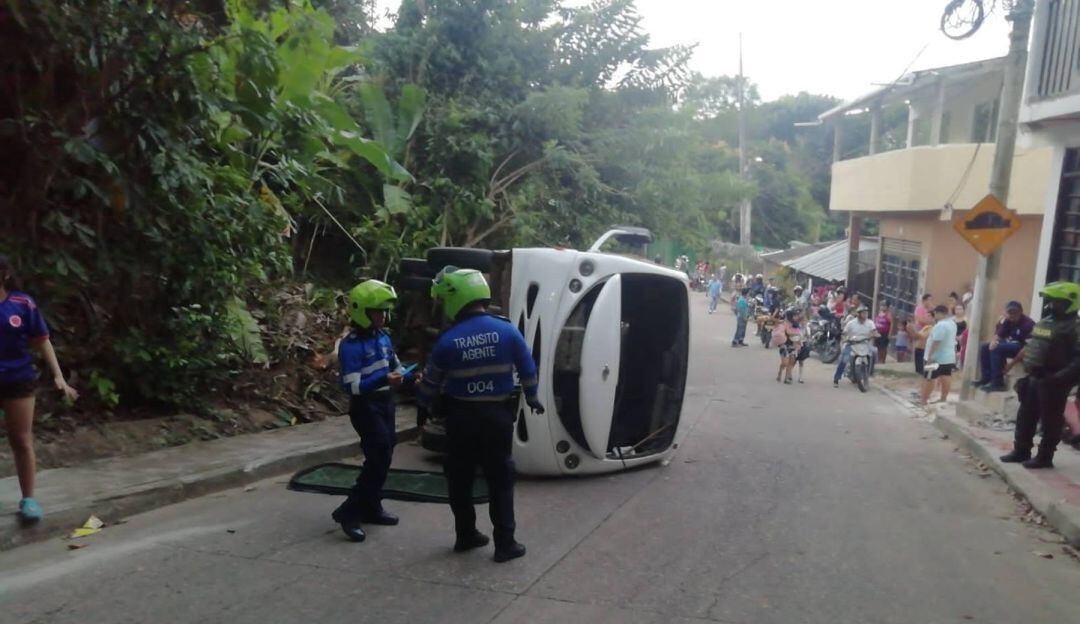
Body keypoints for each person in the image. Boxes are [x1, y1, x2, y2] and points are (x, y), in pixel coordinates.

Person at [419, 267, 542, 562]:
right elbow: (528, 369)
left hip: (460, 420)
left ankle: (466, 535)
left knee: (460, 479)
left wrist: (423, 407)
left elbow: (430, 384)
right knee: (501, 479)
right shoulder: (507, 331)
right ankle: (505, 544)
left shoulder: (448, 340)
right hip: (497, 418)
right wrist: (533, 397)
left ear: (456, 298)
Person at [329, 279, 414, 542]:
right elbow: (353, 387)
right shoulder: (350, 346)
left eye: (385, 311)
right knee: (378, 457)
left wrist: (410, 377)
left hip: (386, 402)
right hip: (366, 407)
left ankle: (372, 506)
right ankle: (349, 511)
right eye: (378, 311)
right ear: (362, 312)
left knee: (384, 455)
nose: (383, 316)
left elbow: (396, 366)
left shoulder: (383, 337)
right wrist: (383, 379)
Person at [0, 255, 79, 523]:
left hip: (18, 379)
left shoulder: (23, 303)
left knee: (21, 440)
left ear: (5, 274)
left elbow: (42, 341)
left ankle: (29, 499)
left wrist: (59, 377)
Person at [999, 282, 1080, 469]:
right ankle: (1021, 451)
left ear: (1070, 303)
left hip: (1055, 379)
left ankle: (1044, 457)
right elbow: (1032, 346)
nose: (1051, 305)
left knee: (1051, 420)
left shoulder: (1075, 327)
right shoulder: (1047, 321)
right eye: (1050, 301)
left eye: (1056, 302)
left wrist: (1059, 378)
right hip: (1035, 376)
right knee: (1026, 416)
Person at [974, 301, 1035, 392]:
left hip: (1023, 349)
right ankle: (986, 378)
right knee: (985, 347)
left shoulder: (1028, 324)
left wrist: (1010, 365)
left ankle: (998, 383)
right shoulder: (1008, 320)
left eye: (1015, 312)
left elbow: (1027, 348)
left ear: (1021, 312)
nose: (1012, 315)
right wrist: (993, 342)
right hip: (1011, 344)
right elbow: (999, 335)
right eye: (1010, 312)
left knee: (997, 349)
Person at [919, 305, 958, 405]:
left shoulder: (940, 325)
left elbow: (936, 342)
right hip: (948, 356)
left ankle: (924, 400)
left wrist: (930, 356)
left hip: (937, 357)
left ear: (938, 313)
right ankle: (943, 398)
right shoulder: (952, 323)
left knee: (929, 378)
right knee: (946, 376)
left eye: (935, 314)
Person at [833, 306, 877, 388]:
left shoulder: (870, 323)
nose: (865, 315)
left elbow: (874, 332)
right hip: (852, 344)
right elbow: (844, 333)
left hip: (865, 344)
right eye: (863, 313)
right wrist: (844, 339)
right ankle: (837, 378)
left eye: (866, 313)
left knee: (874, 352)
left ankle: (871, 372)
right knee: (844, 359)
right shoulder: (851, 323)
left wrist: (875, 335)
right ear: (858, 314)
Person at [913, 293, 934, 374]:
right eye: (929, 300)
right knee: (919, 346)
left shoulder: (932, 308)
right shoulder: (919, 309)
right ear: (924, 301)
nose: (930, 301)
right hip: (921, 329)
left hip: (929, 330)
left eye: (931, 300)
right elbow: (920, 320)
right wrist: (928, 322)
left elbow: (934, 319)